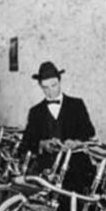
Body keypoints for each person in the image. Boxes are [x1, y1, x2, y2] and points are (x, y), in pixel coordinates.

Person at [21, 60, 96, 193]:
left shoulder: (76, 105)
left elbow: (89, 132)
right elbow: (26, 142)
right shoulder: (35, 112)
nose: (51, 92)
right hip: (47, 172)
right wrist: (42, 144)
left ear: (60, 82)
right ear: (40, 87)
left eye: (54, 85)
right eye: (45, 88)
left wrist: (76, 143)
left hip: (75, 170)